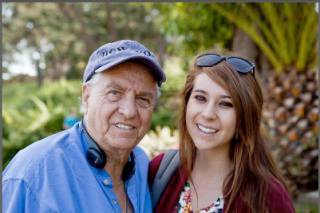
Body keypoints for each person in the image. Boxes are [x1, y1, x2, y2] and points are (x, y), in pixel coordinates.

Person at [3, 39, 166, 213]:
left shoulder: (141, 164)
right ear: (87, 96)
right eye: (114, 93)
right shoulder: (32, 174)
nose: (129, 111)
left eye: (143, 99)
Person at [149, 53, 295, 213]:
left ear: (245, 117)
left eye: (225, 104)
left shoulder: (268, 197)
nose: (208, 114)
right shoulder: (160, 171)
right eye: (200, 98)